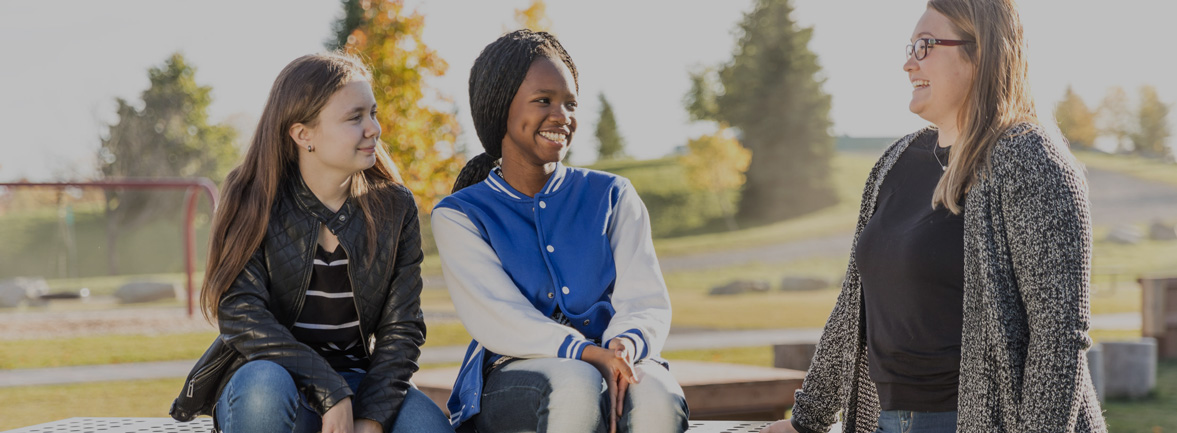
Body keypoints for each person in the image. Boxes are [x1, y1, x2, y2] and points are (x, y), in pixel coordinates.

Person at [761, 0, 1107, 432]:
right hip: (887, 422)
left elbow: (1059, 334)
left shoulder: (1029, 159)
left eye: (924, 46)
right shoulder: (895, 161)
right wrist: (806, 421)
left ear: (980, 52)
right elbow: (853, 307)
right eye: (909, 47)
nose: (908, 63)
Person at [175, 52, 453, 433]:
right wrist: (329, 390)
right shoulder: (251, 196)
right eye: (355, 118)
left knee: (429, 428)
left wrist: (370, 420)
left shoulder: (395, 207)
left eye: (372, 113)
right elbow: (241, 314)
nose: (373, 128)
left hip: (360, 383)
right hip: (271, 379)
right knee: (263, 391)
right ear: (303, 134)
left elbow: (402, 330)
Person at [430, 29, 689, 433]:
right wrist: (586, 353)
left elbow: (645, 298)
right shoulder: (459, 214)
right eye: (543, 101)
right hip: (512, 377)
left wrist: (623, 346)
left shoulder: (613, 195)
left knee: (657, 395)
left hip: (615, 356)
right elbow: (499, 317)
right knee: (575, 383)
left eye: (570, 103)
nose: (561, 116)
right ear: (502, 107)